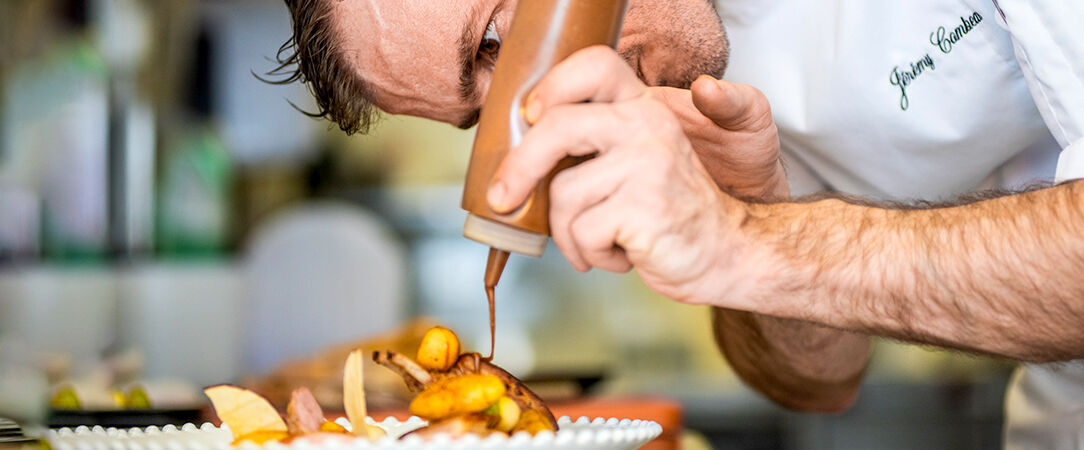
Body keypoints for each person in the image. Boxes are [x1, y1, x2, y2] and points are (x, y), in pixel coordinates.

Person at [273, 0, 1084, 446]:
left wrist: (748, 243)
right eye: (474, 121)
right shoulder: (674, 66)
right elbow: (821, 380)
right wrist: (761, 207)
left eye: (492, 39)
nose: (523, 125)